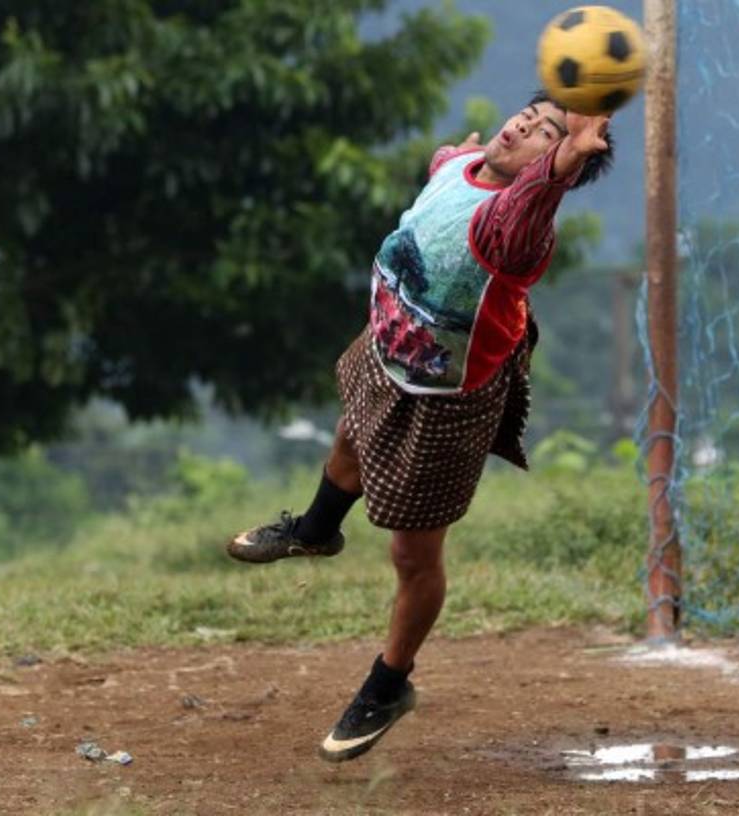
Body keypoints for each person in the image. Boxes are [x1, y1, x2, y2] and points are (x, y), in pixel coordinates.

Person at [229, 91, 616, 762]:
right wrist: (464, 154)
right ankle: (317, 530)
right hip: (392, 350)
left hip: (447, 395)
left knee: (413, 555)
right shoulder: (461, 165)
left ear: (553, 167)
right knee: (354, 424)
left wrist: (559, 166)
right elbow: (452, 162)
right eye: (530, 113)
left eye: (547, 132)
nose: (526, 123)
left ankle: (388, 684)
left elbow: (526, 205)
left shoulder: (514, 228)